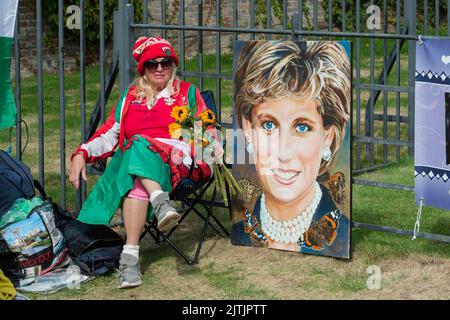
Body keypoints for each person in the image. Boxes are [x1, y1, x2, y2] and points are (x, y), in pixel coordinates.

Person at [69, 37, 222, 288]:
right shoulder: (131, 97)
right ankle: (153, 212)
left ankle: (131, 257)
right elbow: (109, 135)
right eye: (153, 64)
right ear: (143, 69)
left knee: (137, 147)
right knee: (136, 168)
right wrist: (81, 153)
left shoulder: (187, 93)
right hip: (142, 168)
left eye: (166, 63)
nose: (160, 69)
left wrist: (194, 155)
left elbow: (205, 135)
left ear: (173, 65)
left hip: (175, 163)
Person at [231, 40, 351, 258]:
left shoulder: (340, 237)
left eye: (302, 127)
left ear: (328, 136)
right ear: (248, 129)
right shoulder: (240, 232)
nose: (283, 153)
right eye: (269, 125)